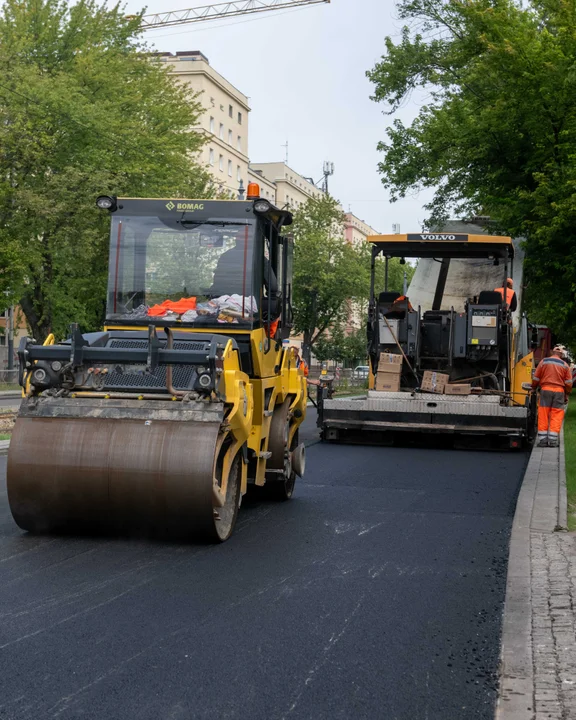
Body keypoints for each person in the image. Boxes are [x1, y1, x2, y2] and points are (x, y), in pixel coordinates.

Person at [532, 344, 572, 447]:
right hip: (559, 391)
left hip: (545, 390)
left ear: (552, 353)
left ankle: (543, 440)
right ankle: (553, 441)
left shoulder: (544, 361)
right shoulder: (565, 365)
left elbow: (536, 377)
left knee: (543, 413)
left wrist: (533, 387)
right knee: (556, 414)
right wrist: (566, 394)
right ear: (561, 355)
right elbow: (568, 383)